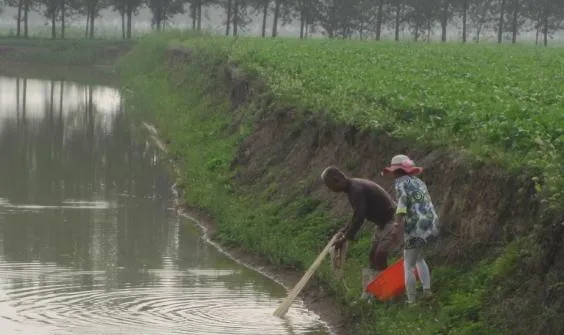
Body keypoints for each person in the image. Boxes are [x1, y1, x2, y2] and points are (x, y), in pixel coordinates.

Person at [320, 166, 400, 299]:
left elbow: (359, 217)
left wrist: (345, 238)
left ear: (337, 179)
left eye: (330, 186)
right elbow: (356, 214)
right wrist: (344, 230)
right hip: (382, 223)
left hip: (393, 220)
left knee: (380, 256)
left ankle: (389, 292)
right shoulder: (352, 187)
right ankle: (372, 292)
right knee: (372, 256)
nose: (331, 190)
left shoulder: (355, 189)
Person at [382, 154, 439, 306]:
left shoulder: (400, 184)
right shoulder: (418, 181)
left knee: (408, 264)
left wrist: (396, 226)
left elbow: (402, 207)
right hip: (430, 223)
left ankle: (412, 302)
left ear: (396, 171)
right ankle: (427, 290)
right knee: (419, 257)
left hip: (415, 227)